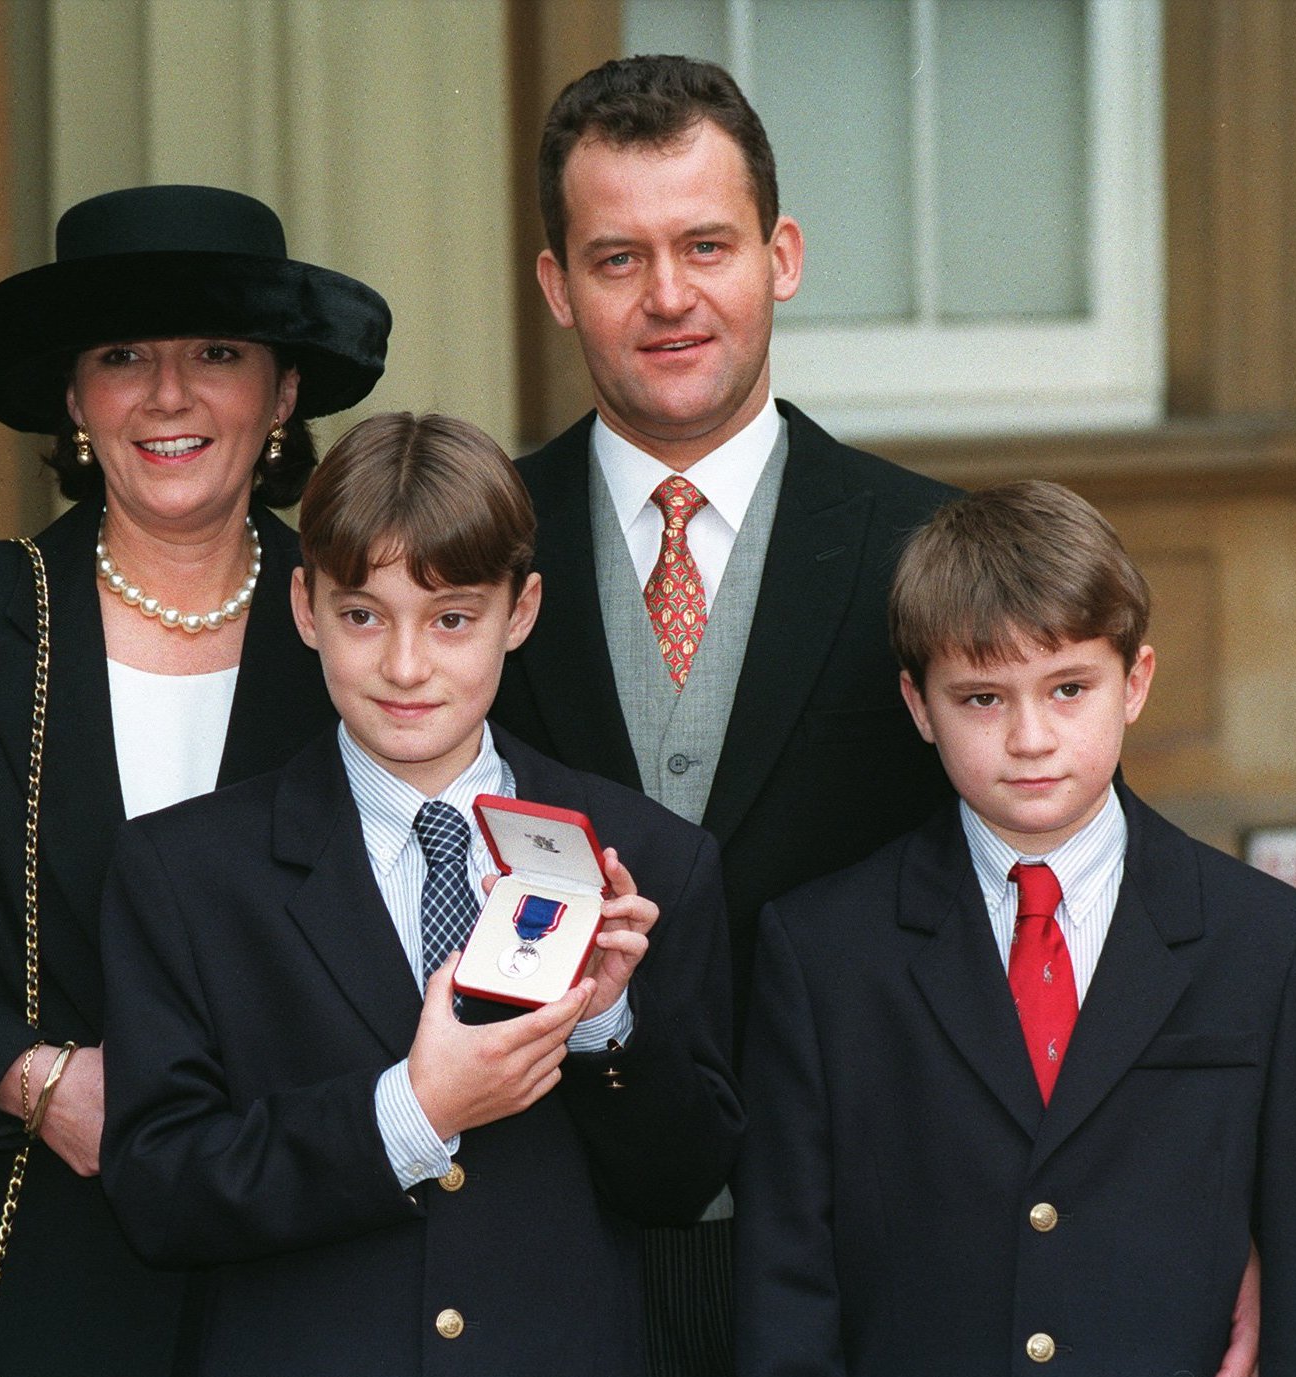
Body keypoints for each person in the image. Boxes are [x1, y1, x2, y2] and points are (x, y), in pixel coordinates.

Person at [0, 184, 389, 1374]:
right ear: (74, 397)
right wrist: (22, 1077)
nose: (169, 395)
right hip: (28, 1253)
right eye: (124, 357)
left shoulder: (373, 620)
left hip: (317, 1255)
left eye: (217, 352)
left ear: (283, 392)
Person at [489, 53, 957, 1375]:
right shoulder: (469, 554)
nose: (670, 296)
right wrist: (16, 1068)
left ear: (781, 255)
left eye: (706, 243)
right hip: (538, 1242)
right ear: (555, 287)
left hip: (855, 1245)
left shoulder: (924, 544)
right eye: (617, 258)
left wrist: (1226, 1204)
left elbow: (1067, 852)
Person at [99, 411, 741, 1375]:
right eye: (363, 615)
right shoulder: (183, 874)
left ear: (519, 613)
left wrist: (608, 1029)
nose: (406, 666)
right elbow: (160, 1190)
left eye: (451, 619)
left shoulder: (652, 856)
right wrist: (409, 1110)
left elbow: (683, 1183)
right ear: (306, 608)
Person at [735, 480, 1296, 1374]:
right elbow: (786, 1287)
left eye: (1069, 687)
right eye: (982, 699)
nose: (1031, 737)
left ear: (1136, 682)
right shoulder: (822, 952)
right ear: (920, 706)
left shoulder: (1270, 943)